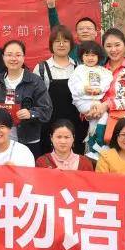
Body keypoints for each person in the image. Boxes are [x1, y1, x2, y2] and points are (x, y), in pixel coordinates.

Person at [84, 28, 125, 158]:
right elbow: (89, 95)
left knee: (122, 164)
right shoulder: (97, 70)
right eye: (108, 46)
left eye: (117, 45)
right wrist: (88, 111)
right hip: (97, 126)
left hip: (124, 128)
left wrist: (106, 105)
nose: (113, 49)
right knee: (98, 165)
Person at [0, 40, 52, 154]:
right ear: (3, 57)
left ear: (24, 57)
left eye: (18, 55)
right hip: (1, 139)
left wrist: (31, 113)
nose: (13, 59)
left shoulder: (35, 81)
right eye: (9, 55)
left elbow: (46, 110)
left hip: (28, 140)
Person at [34, 25, 80, 154]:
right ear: (51, 44)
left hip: (75, 124)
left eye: (65, 41)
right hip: (48, 124)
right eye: (57, 41)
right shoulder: (41, 68)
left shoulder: (79, 67)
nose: (61, 44)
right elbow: (36, 99)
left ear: (71, 44)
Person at [66, 40, 112, 154]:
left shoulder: (103, 71)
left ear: (99, 56)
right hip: (83, 101)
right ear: (81, 56)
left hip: (97, 100)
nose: (90, 58)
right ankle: (97, 142)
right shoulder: (79, 70)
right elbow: (72, 85)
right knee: (101, 114)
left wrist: (100, 89)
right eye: (87, 55)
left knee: (101, 117)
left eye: (93, 55)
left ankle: (93, 144)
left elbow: (108, 81)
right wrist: (84, 89)